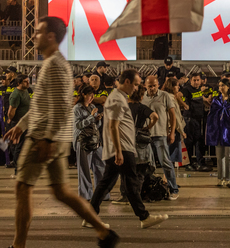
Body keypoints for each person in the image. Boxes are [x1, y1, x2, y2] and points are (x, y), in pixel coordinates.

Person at [0, 17, 119, 248]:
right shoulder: (52, 64)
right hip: (51, 136)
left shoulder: (55, 66)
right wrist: (21, 125)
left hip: (44, 138)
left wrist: (46, 138)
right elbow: (43, 105)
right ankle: (104, 232)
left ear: (49, 36)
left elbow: (60, 107)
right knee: (61, 191)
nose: (33, 36)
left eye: (37, 32)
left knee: (22, 186)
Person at [89, 69, 168, 229]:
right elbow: (113, 126)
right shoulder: (117, 98)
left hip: (121, 147)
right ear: (127, 82)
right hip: (122, 148)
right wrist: (118, 151)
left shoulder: (120, 98)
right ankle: (144, 217)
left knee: (108, 183)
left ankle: (90, 216)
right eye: (136, 84)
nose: (138, 88)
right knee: (130, 182)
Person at [143, 76, 179, 200]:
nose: (152, 88)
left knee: (165, 163)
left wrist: (172, 132)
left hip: (161, 135)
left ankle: (174, 189)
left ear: (158, 85)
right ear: (145, 86)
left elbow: (173, 115)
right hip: (146, 137)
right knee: (148, 164)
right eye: (150, 86)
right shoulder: (142, 97)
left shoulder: (165, 96)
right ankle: (150, 188)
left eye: (154, 85)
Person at [73, 86, 108, 202]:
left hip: (95, 140)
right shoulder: (77, 108)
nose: (92, 98)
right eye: (90, 95)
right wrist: (91, 117)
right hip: (83, 141)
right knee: (84, 169)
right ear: (84, 95)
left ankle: (102, 194)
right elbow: (78, 125)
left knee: (100, 166)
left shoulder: (92, 106)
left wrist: (97, 119)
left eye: (93, 95)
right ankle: (85, 195)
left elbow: (95, 126)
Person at [206, 79, 230, 188]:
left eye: (223, 85)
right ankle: (221, 178)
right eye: (219, 85)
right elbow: (212, 115)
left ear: (228, 86)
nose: (221, 88)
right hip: (218, 131)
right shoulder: (216, 100)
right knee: (220, 156)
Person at [181, 73, 211, 172]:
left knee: (198, 141)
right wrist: (185, 105)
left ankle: (199, 162)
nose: (196, 82)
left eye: (198, 80)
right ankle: (187, 164)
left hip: (198, 118)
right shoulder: (186, 89)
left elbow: (200, 99)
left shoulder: (198, 89)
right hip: (190, 119)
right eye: (194, 80)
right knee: (189, 142)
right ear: (190, 80)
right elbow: (177, 96)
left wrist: (208, 103)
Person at [7, 74, 31, 174]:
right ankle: (18, 169)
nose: (28, 83)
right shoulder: (16, 94)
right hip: (18, 123)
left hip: (26, 123)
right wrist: (12, 122)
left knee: (24, 146)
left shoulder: (25, 91)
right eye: (25, 81)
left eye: (28, 81)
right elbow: (11, 112)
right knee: (19, 147)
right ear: (19, 83)